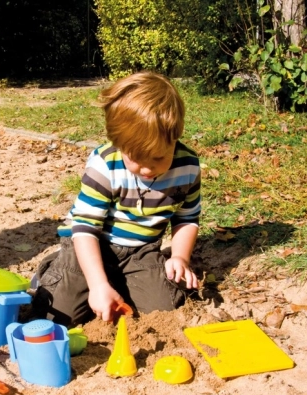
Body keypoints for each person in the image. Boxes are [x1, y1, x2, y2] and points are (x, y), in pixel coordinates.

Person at [32, 71, 201, 327]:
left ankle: (118, 282)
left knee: (165, 309)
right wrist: (98, 284)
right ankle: (55, 271)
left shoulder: (187, 167)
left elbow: (187, 218)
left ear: (175, 136)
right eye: (135, 158)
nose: (146, 169)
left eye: (157, 158)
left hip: (141, 252)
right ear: (118, 143)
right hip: (91, 246)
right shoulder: (105, 164)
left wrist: (179, 257)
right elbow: (85, 228)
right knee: (54, 315)